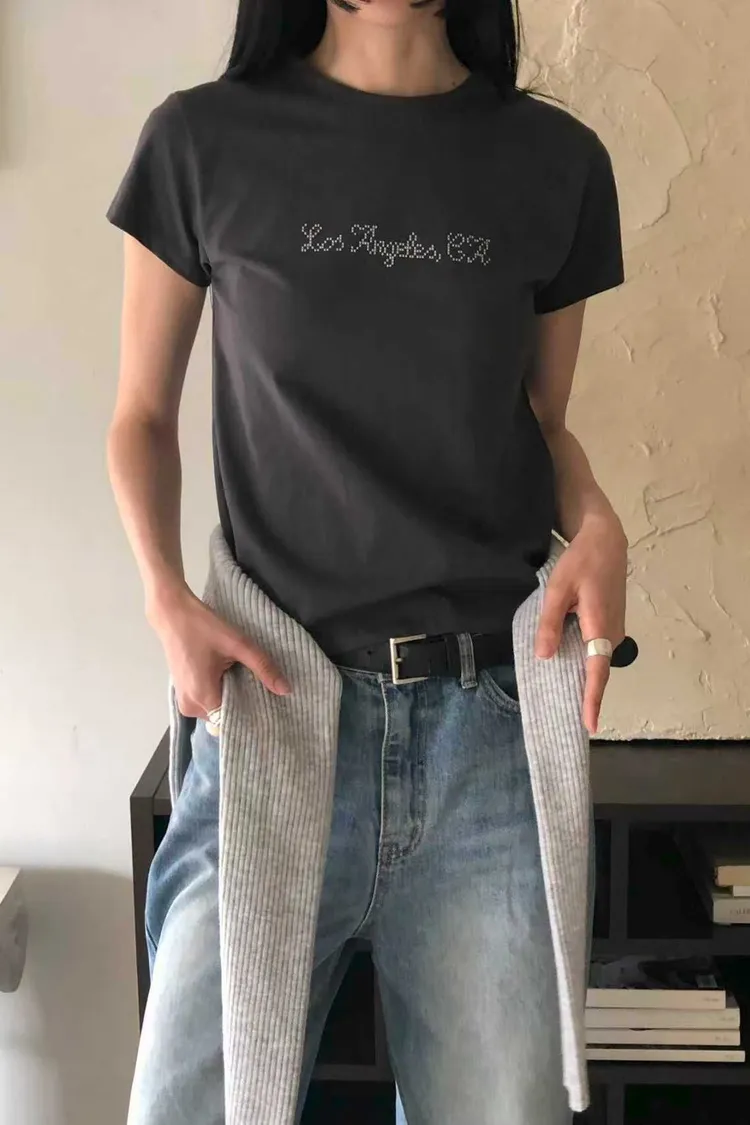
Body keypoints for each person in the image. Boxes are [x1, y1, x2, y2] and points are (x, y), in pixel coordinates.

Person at [106, 1, 628, 1123]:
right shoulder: (203, 140)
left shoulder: (557, 162)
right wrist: (164, 596)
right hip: (274, 715)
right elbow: (141, 416)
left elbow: (543, 423)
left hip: (486, 744)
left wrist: (595, 524)